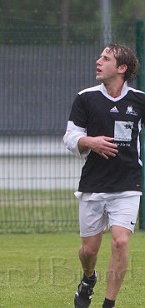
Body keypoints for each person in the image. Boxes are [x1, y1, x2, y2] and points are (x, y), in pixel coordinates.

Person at [63, 43, 145, 308]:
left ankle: (108, 304)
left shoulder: (139, 101)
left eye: (106, 58)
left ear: (122, 68)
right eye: (100, 56)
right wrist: (90, 142)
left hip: (127, 184)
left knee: (120, 242)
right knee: (89, 250)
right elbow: (70, 137)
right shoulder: (85, 98)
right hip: (94, 183)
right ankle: (88, 279)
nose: (98, 61)